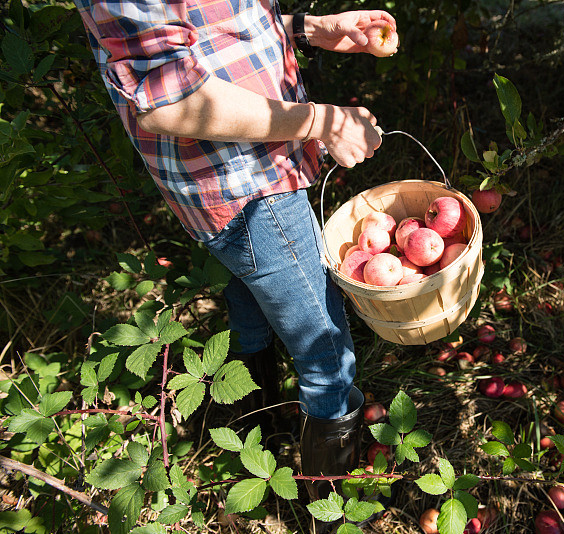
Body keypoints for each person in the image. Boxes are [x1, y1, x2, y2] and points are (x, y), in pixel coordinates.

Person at [74, 0, 393, 525]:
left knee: (252, 304)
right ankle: (326, 517)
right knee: (327, 355)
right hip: (246, 183)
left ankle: (261, 440)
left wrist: (308, 28)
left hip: (252, 170)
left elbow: (213, 27)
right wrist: (323, 122)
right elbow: (168, 100)